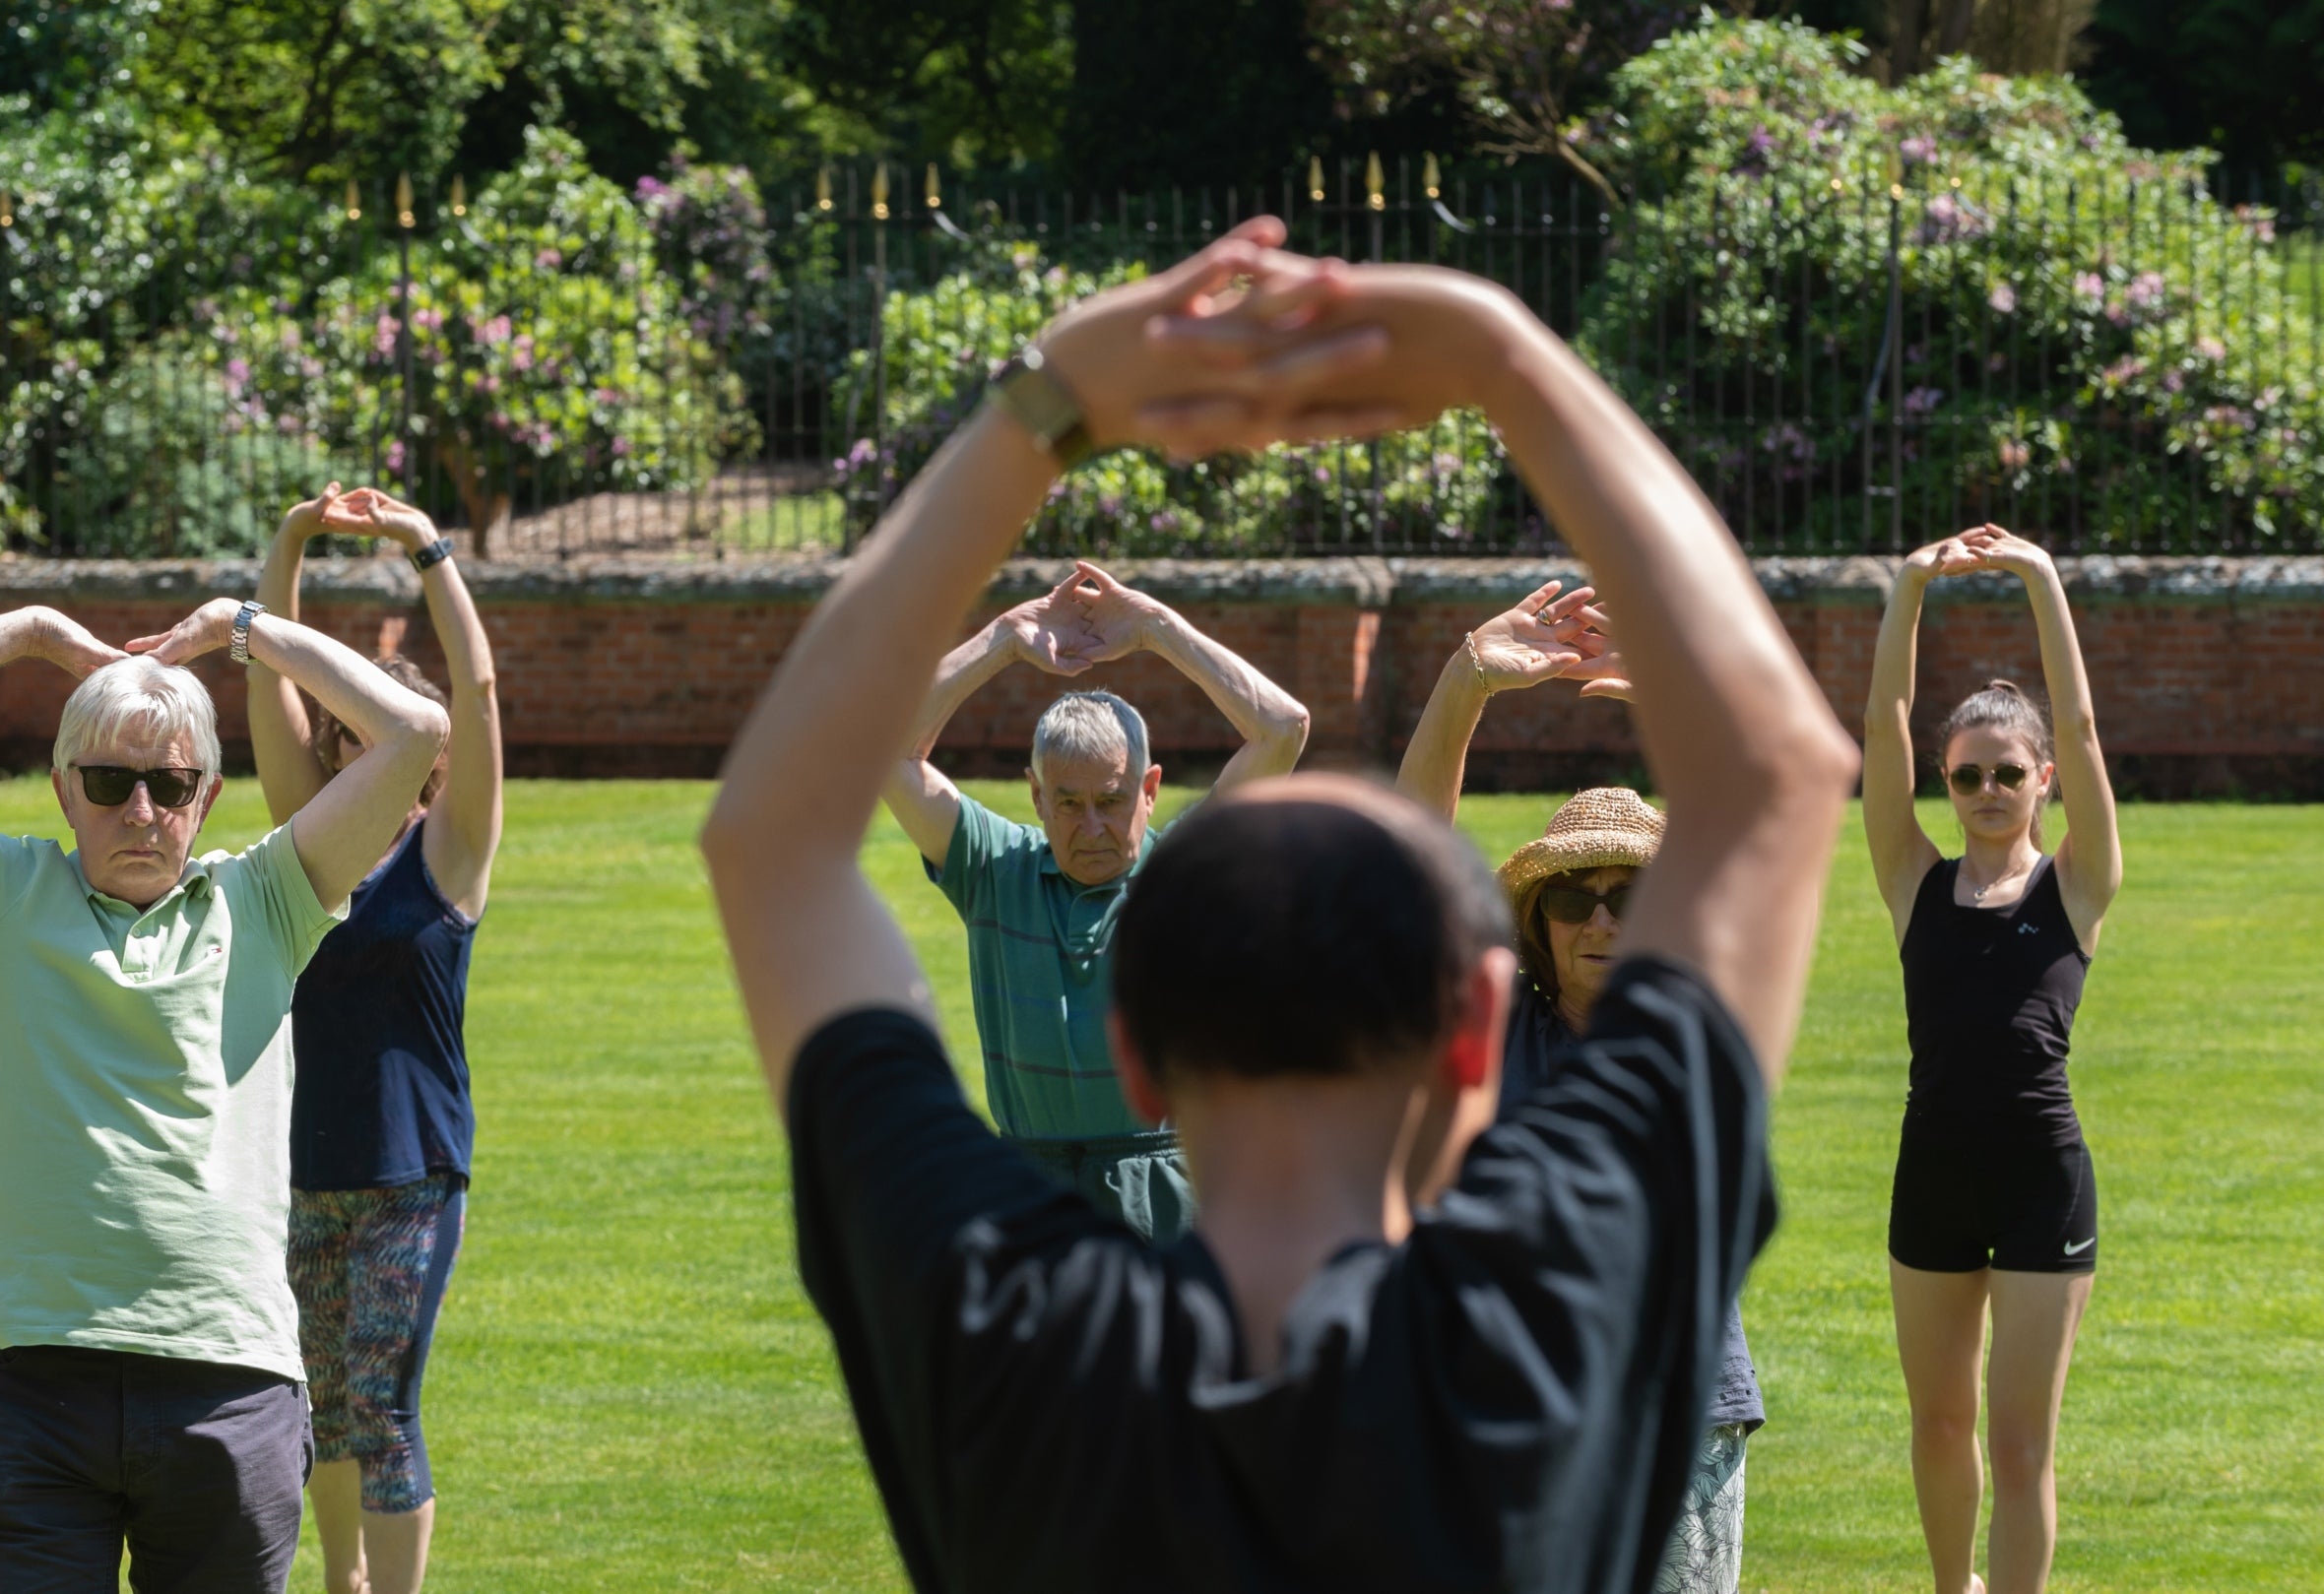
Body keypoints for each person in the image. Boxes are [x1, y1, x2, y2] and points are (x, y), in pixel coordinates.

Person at [697, 223, 1859, 1591]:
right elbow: (1777, 773)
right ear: (1476, 1030)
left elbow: (773, 835)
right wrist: (1501, 352)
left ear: (1135, 1044)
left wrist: (1052, 400)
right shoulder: (1565, 1300)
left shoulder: (1007, 1328)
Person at [0, 594, 448, 1593]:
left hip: (230, 1382)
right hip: (30, 1382)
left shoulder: (267, 897)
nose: (141, 811)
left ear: (208, 793)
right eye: (109, 781)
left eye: (169, 783)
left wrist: (243, 628)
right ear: (63, 791)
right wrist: (30, 633)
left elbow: (417, 732)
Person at [1397, 586, 1765, 1593]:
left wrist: (1674, 698)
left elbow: (1754, 818)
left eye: (1630, 893)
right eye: (1574, 895)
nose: (1602, 919)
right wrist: (1467, 675)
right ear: (1540, 919)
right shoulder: (1502, 1022)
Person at [880, 558, 1311, 1240]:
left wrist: (1157, 628)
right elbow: (886, 749)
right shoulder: (995, 866)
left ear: (1149, 789)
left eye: (1111, 801)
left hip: (1165, 1187)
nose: (1090, 828)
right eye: (1069, 803)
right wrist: (1003, 636)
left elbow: (1283, 727)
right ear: (1036, 795)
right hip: (1025, 1187)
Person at [251, 485, 504, 1594]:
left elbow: (482, 687)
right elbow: (268, 688)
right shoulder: (311, 851)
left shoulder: (447, 852)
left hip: (413, 1173)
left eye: (380, 742)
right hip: (306, 1169)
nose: (359, 759)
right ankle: (340, 1578)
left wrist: (427, 551)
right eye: (345, 741)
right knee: (320, 1396)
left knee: (385, 1401)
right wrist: (290, 541)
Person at [1864, 524, 2121, 1594]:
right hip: (1933, 1172)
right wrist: (1910, 586)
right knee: (1938, 1423)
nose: (1984, 787)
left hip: (2038, 1181)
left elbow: (2086, 724)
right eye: (1967, 773)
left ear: (2043, 779)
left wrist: (2041, 576)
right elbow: (1880, 725)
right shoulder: (1913, 881)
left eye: (2008, 772)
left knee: (2019, 1445)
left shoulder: (2077, 885)